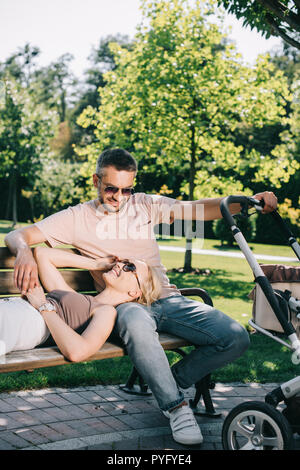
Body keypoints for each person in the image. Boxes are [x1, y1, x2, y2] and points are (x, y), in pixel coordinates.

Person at [5, 148, 278, 446]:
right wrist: (23, 252)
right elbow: (19, 236)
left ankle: (166, 382)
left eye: (127, 189)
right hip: (127, 306)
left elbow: (197, 209)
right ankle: (175, 406)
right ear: (96, 180)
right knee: (136, 322)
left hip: (170, 300)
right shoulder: (76, 217)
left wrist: (248, 200)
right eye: (111, 189)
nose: (120, 197)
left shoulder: (146, 205)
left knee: (236, 336)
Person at [0, 246, 161, 363]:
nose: (120, 265)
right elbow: (43, 254)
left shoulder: (106, 313)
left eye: (130, 267)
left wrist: (43, 305)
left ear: (135, 292)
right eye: (123, 262)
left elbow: (77, 352)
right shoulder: (74, 295)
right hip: (11, 311)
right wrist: (96, 264)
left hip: (22, 323)